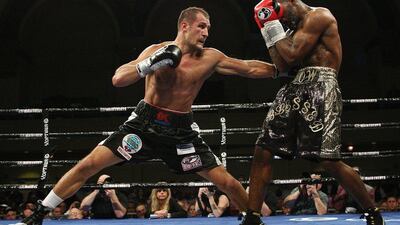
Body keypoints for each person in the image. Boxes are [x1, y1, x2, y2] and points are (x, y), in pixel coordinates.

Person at [17, 6, 277, 225]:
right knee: (87, 165)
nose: (206, 33)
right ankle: (41, 211)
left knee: (228, 182)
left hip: (181, 133)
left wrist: (281, 68)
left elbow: (248, 68)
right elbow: (119, 78)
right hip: (143, 126)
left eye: (208, 27)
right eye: (201, 26)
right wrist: (150, 64)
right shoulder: (156, 49)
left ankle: (253, 220)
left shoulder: (210, 57)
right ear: (184, 26)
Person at [241, 0, 386, 225]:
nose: (283, 20)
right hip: (293, 88)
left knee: (328, 160)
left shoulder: (319, 16)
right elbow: (281, 66)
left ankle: (372, 211)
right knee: (263, 150)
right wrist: (267, 26)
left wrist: (270, 24)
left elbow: (291, 54)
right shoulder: (289, 29)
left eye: (281, 15)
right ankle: (252, 217)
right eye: (278, 20)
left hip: (321, 85)